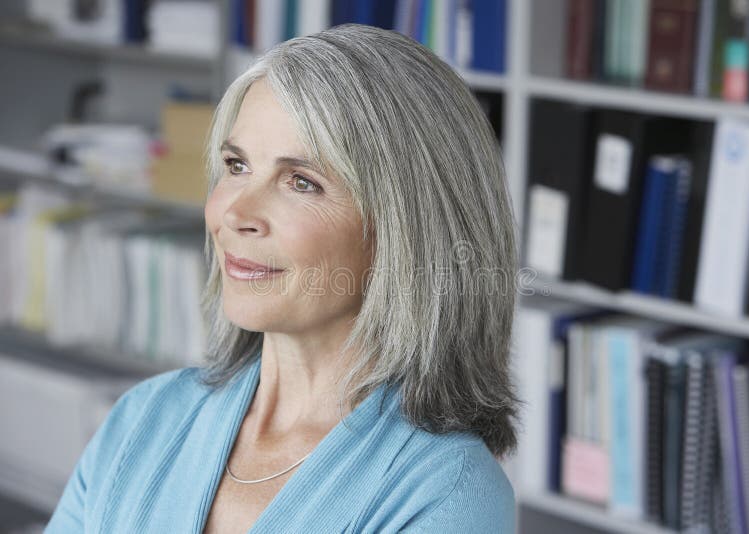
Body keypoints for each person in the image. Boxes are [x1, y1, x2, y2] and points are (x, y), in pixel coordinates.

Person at [44, 23, 520, 533]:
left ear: (408, 231)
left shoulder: (446, 494)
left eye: (301, 182)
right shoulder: (143, 417)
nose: (236, 212)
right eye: (237, 165)